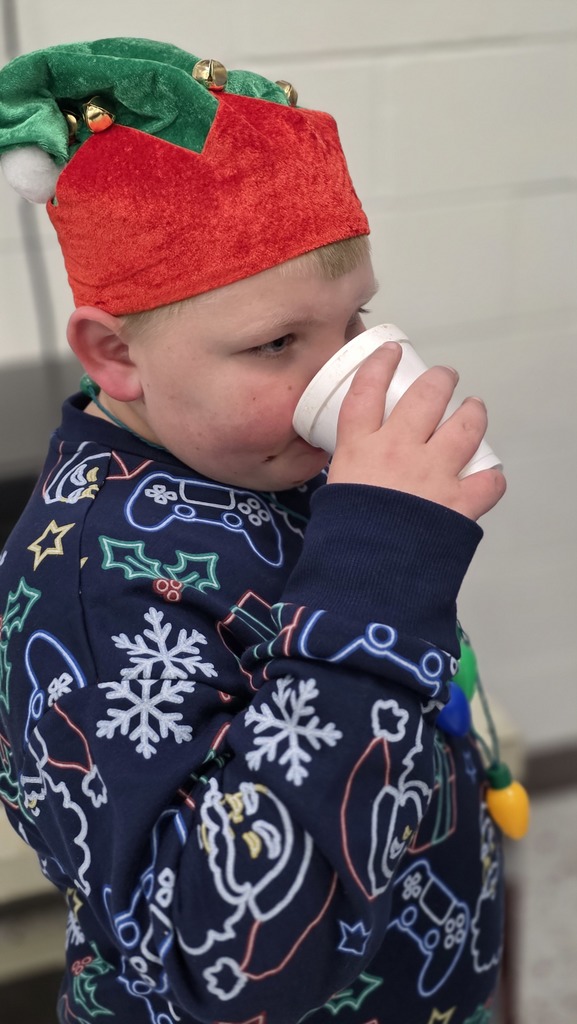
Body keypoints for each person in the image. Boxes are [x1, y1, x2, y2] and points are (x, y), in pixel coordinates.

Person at [0, 37, 508, 1024]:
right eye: (277, 343)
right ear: (116, 355)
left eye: (354, 321)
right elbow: (230, 964)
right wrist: (379, 562)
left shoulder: (254, 457)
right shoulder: (91, 591)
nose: (348, 379)